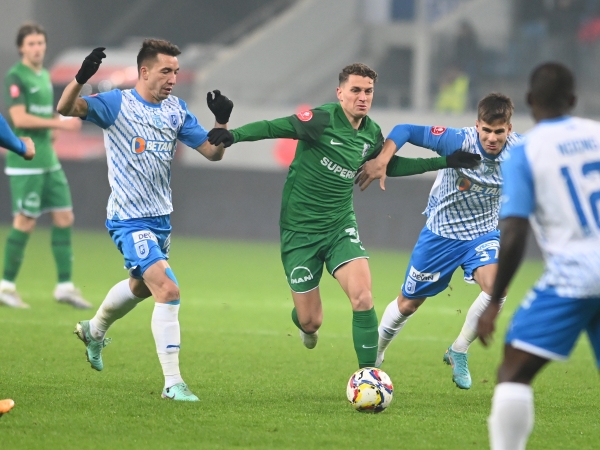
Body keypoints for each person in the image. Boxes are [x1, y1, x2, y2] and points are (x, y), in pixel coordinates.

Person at [207, 63, 480, 369]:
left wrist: (445, 161)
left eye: (368, 91)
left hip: (340, 227)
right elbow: (274, 127)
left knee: (363, 297)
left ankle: (369, 375)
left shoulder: (371, 133)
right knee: (311, 321)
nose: (363, 97)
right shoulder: (321, 119)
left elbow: (389, 166)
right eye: (356, 90)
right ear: (340, 93)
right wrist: (234, 135)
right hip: (300, 231)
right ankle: (304, 322)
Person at [56, 39, 232, 401]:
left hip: (160, 219)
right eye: (166, 71)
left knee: (141, 288)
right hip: (128, 218)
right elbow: (66, 107)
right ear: (144, 71)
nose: (173, 79)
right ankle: (172, 383)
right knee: (168, 289)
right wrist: (81, 78)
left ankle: (94, 330)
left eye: (176, 72)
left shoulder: (176, 110)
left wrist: (222, 122)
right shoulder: (117, 103)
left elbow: (212, 153)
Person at [357, 93, 522, 389]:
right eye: (486, 130)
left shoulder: (522, 150)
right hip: (440, 236)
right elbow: (405, 129)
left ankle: (459, 349)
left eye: (499, 131)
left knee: (498, 288)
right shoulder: (457, 140)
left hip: (482, 234)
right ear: (477, 126)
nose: (492, 138)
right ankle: (375, 356)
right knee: (408, 304)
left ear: (509, 129)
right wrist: (382, 160)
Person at [477, 63, 600, 449]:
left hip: (575, 276)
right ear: (574, 99)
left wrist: (493, 302)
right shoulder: (597, 134)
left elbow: (515, 232)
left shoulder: (527, 152)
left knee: (513, 370)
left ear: (530, 100)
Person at [0, 22, 87, 309]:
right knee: (25, 221)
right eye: (31, 44)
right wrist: (59, 124)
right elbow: (19, 119)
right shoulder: (16, 76)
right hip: (26, 163)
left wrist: (52, 128)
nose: (37, 48)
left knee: (64, 217)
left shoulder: (44, 75)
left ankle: (64, 286)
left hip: (49, 159)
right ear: (21, 48)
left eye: (40, 43)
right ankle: (6, 286)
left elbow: (43, 114)